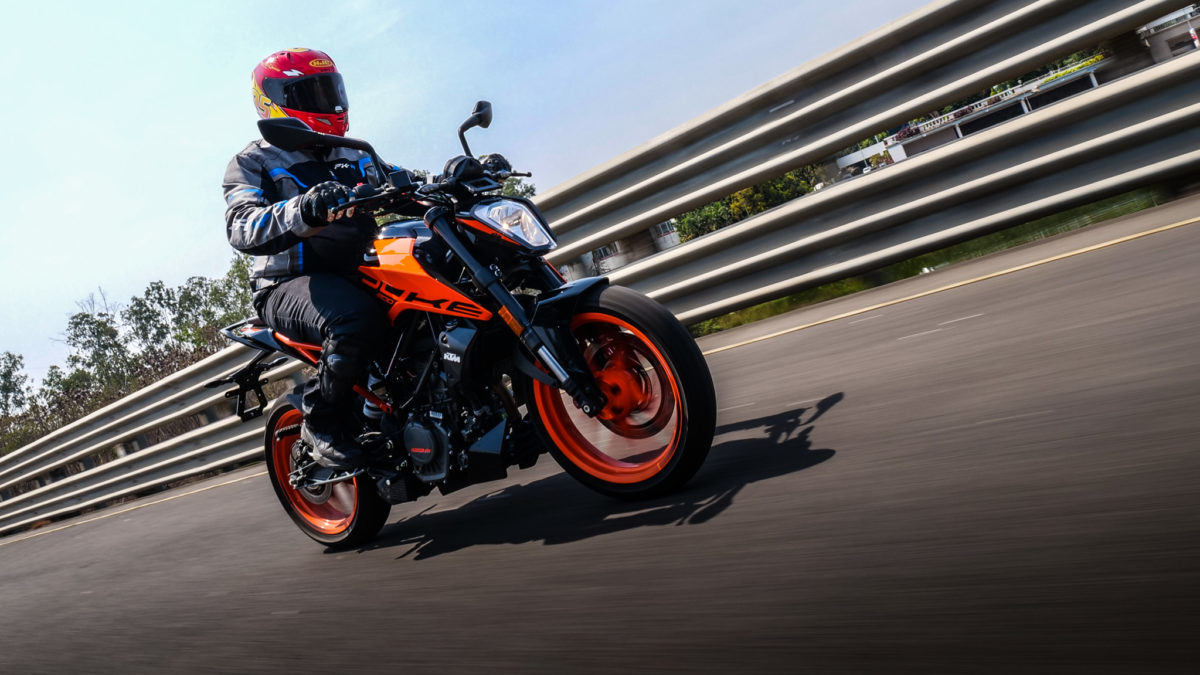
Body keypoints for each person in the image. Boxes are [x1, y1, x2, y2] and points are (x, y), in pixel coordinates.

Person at [222, 48, 390, 471]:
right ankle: (321, 422)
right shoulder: (253, 161)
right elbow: (241, 225)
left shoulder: (355, 153)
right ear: (272, 101)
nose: (326, 102)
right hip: (287, 283)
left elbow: (401, 182)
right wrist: (305, 209)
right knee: (354, 319)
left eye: (328, 90)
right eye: (308, 93)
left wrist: (456, 174)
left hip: (358, 270)